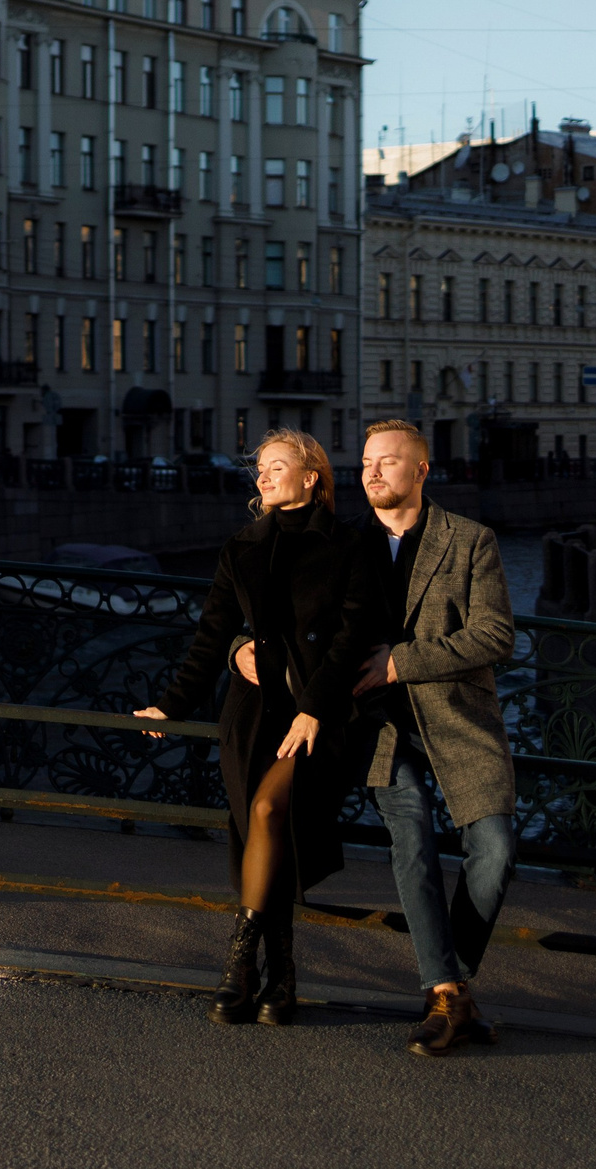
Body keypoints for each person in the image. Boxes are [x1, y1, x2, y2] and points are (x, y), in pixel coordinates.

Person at [135, 429, 371, 1025]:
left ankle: (239, 962)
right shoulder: (242, 545)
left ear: (311, 476)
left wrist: (316, 707)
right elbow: (212, 634)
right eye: (258, 469)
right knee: (265, 831)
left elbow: (349, 639)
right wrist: (172, 705)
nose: (261, 478)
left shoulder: (349, 544)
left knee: (269, 814)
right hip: (251, 713)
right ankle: (281, 976)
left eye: (275, 467)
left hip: (315, 713)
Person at [352, 418, 519, 1056]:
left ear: (421, 470)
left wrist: (399, 662)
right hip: (380, 729)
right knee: (413, 841)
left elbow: (494, 635)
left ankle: (450, 985)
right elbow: (287, 614)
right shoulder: (347, 545)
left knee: (496, 852)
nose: (372, 472)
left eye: (387, 462)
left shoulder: (470, 540)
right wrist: (240, 647)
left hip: (459, 721)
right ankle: (448, 993)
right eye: (366, 462)